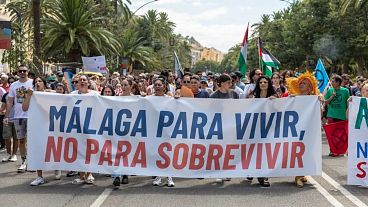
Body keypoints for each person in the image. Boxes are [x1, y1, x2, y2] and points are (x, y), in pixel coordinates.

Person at [22, 77, 62, 185]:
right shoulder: (31, 95)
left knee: (53, 147)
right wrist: (29, 95)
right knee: (38, 149)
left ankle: (57, 167)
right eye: (36, 82)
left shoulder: (50, 94)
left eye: (40, 81)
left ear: (44, 84)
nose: (37, 83)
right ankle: (39, 176)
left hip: (51, 125)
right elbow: (24, 108)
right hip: (37, 127)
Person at [286, 71, 321, 187]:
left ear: (310, 86)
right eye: (300, 83)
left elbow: (319, 114)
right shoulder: (293, 97)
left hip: (310, 129)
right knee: (297, 151)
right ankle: (298, 176)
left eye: (304, 83)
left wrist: (319, 101)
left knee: (308, 151)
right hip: (296, 130)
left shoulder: (315, 99)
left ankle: (302, 173)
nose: (301, 85)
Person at [246, 76, 276, 187]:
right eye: (261, 82)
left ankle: (263, 176)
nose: (263, 84)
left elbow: (282, 108)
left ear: (269, 84)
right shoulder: (253, 96)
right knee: (253, 151)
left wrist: (276, 102)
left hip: (268, 129)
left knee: (265, 152)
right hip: (254, 128)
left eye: (265, 82)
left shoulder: (274, 96)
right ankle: (251, 170)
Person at [3, 65, 33, 173]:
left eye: (24, 71)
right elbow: (10, 101)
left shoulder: (32, 83)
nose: (22, 72)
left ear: (27, 72)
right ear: (17, 72)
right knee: (21, 140)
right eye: (20, 71)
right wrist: (6, 116)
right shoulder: (14, 85)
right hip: (18, 116)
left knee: (32, 141)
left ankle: (32, 162)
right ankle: (24, 161)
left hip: (32, 116)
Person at [71, 75, 99, 184]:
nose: (82, 82)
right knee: (80, 151)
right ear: (77, 83)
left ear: (88, 82)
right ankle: (81, 175)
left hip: (91, 127)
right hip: (77, 127)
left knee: (90, 150)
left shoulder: (95, 94)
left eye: (84, 80)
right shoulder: (72, 95)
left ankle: (90, 174)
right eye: (79, 80)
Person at [151, 77, 175, 187]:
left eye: (159, 85)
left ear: (164, 87)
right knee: (157, 153)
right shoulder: (149, 99)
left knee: (168, 153)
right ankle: (158, 176)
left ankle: (169, 177)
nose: (157, 87)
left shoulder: (169, 99)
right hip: (153, 130)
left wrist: (177, 99)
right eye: (155, 85)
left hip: (167, 130)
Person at [324, 75, 350, 157]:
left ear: (338, 82)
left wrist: (348, 114)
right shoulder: (330, 90)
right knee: (331, 133)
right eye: (331, 81)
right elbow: (326, 102)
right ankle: (332, 151)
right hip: (331, 115)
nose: (331, 82)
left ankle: (339, 150)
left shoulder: (345, 91)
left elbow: (348, 103)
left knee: (340, 134)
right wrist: (332, 96)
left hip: (341, 115)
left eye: (333, 81)